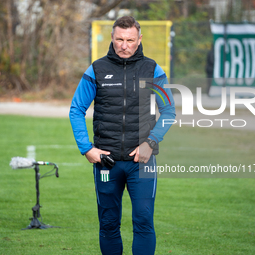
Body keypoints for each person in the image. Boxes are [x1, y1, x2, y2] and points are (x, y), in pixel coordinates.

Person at [69, 16, 175, 255]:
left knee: (144, 222)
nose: (124, 45)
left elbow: (169, 111)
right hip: (107, 162)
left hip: (142, 163)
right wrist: (86, 148)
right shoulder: (96, 69)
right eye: (119, 39)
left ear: (139, 40)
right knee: (108, 224)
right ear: (112, 38)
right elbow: (76, 109)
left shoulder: (153, 69)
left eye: (129, 40)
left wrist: (151, 142)